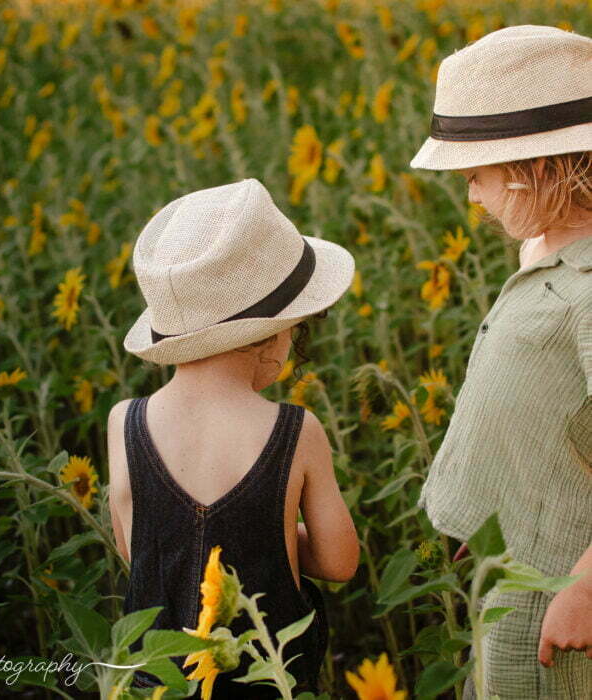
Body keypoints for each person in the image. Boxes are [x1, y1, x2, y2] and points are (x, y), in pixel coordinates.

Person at [107, 178, 360, 698]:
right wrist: (270, 534)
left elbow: (139, 552)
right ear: (271, 334)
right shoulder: (296, 432)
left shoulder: (123, 423)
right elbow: (339, 562)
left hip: (159, 679)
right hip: (272, 672)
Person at [410, 24, 592, 699]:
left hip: (560, 591)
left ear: (537, 169)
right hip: (515, 554)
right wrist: (485, 504)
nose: (472, 196)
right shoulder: (545, 256)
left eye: (477, 176)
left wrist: (585, 585)